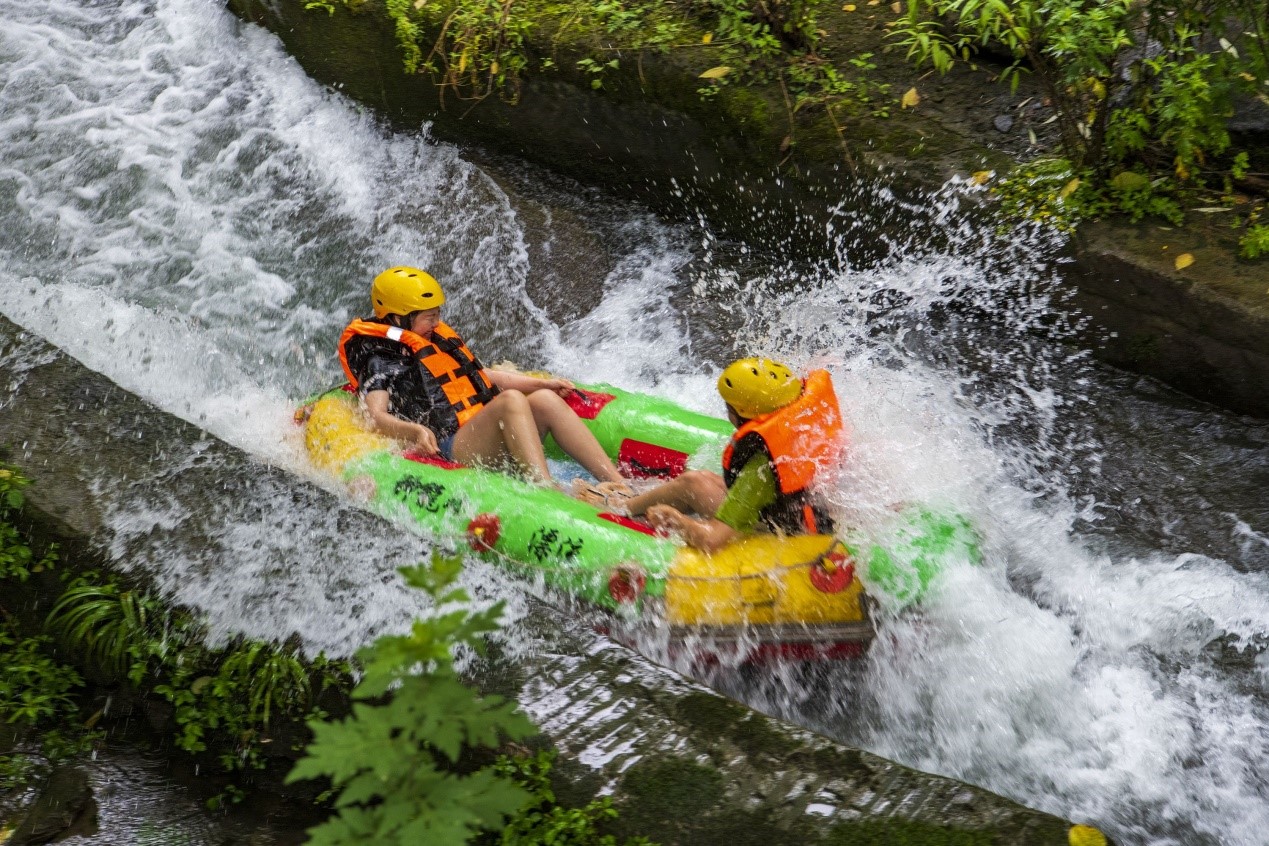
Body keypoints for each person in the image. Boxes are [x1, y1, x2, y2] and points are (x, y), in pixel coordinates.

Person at [337, 266, 630, 492]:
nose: (437, 323)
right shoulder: (380, 357)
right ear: (398, 318)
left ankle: (618, 484)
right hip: (453, 445)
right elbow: (375, 416)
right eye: (429, 317)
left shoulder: (434, 339)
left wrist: (543, 383)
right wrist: (414, 432)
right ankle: (545, 489)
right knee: (510, 401)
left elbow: (481, 376)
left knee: (544, 399)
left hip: (481, 431)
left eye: (437, 314)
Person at [595, 357, 845, 553]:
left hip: (791, 540)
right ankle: (627, 505)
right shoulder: (804, 426)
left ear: (738, 415)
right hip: (805, 519)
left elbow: (711, 541)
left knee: (692, 483)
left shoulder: (760, 469)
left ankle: (620, 508)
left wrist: (678, 521)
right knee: (698, 481)